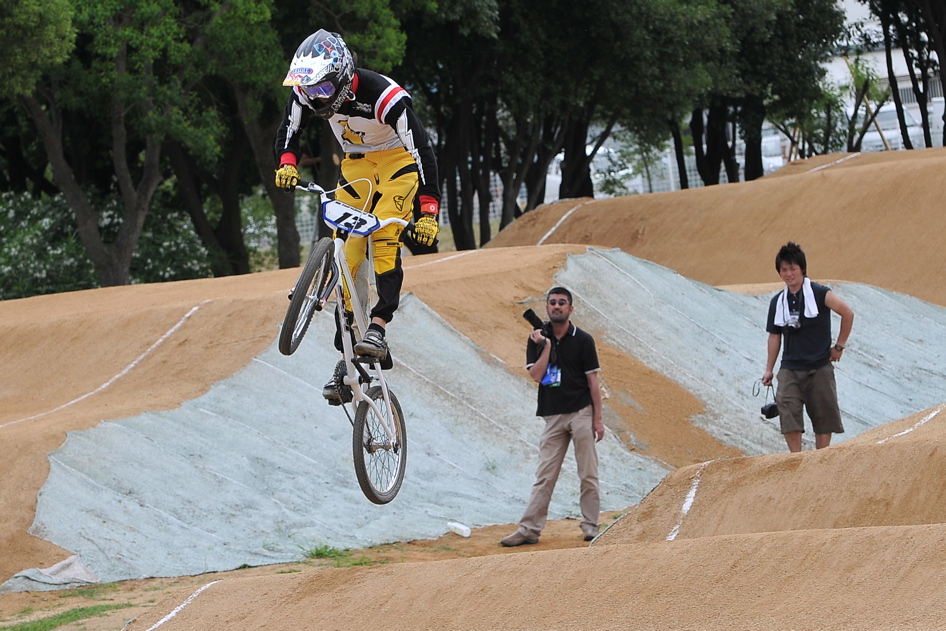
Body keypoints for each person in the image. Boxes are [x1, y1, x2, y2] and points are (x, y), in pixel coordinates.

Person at [273, 30, 440, 403]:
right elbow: (289, 128)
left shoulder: (384, 97)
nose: (315, 99)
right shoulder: (306, 91)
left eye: (321, 91)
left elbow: (423, 150)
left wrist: (428, 209)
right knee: (346, 258)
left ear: (343, 76)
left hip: (399, 162)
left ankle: (378, 326)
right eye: (310, 92)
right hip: (356, 166)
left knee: (382, 240)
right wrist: (286, 162)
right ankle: (347, 358)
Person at [500, 287, 606, 547]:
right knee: (545, 476)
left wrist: (597, 419)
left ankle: (591, 526)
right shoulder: (537, 338)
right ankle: (529, 529)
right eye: (553, 303)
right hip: (553, 415)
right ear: (547, 308)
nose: (557, 306)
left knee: (588, 473)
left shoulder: (583, 340)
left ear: (571, 309)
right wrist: (545, 346)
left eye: (562, 303)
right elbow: (537, 375)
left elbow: (593, 381)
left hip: (581, 411)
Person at [762, 242, 854, 452]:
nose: (788, 274)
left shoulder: (820, 293)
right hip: (790, 368)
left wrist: (838, 347)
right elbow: (774, 336)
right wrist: (769, 369)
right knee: (788, 411)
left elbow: (847, 313)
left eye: (792, 268)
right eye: (784, 270)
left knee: (824, 418)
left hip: (819, 367)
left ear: (802, 268)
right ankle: (797, 460)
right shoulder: (778, 302)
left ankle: (820, 461)